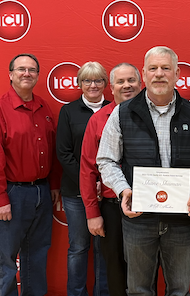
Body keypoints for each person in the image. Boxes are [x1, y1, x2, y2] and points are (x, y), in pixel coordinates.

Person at [97, 46, 190, 296]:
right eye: (153, 69)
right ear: (144, 75)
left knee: (180, 290)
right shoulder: (122, 113)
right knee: (138, 290)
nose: (159, 74)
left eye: (166, 68)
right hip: (139, 218)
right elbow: (105, 159)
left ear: (177, 74)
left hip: (181, 218)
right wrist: (123, 190)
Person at [0, 53, 61, 296]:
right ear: (10, 74)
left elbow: (52, 146)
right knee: (6, 258)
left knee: (37, 254)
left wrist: (53, 185)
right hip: (13, 193)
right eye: (21, 69)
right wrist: (2, 198)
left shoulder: (43, 106)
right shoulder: (2, 108)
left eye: (32, 70)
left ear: (38, 75)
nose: (27, 73)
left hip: (42, 191)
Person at [80, 63, 141, 296]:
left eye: (131, 80)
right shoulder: (98, 120)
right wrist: (93, 214)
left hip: (148, 206)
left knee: (146, 269)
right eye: (120, 82)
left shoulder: (154, 115)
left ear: (140, 83)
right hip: (112, 208)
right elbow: (88, 169)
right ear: (111, 87)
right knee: (114, 269)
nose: (126, 86)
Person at [56, 61, 110, 296]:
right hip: (76, 193)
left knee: (104, 249)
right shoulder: (68, 111)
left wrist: (105, 182)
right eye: (87, 80)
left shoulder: (115, 109)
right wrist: (88, 182)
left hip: (109, 193)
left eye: (98, 80)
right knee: (78, 248)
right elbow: (63, 153)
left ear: (105, 84)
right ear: (79, 84)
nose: (93, 85)